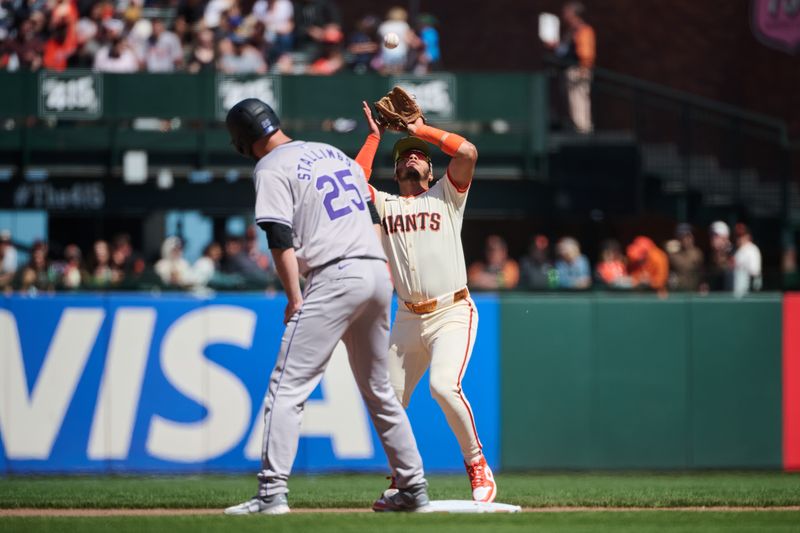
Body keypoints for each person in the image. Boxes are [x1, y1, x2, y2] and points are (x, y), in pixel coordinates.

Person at [223, 98, 428, 515]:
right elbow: (367, 212)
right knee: (379, 390)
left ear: (243, 141)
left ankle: (271, 493)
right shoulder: (331, 153)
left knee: (287, 386)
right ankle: (412, 486)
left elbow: (278, 237)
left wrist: (294, 296)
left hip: (336, 275)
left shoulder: (270, 166)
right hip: (374, 272)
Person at [355, 99, 497, 503]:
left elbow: (467, 152)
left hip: (451, 311)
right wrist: (374, 137)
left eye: (418, 155)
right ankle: (404, 479)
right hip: (407, 319)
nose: (411, 158)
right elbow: (351, 182)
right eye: (403, 158)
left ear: (432, 169)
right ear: (395, 170)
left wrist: (419, 129)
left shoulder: (446, 196)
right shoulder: (386, 204)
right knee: (387, 400)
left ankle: (476, 464)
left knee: (443, 387)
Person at [544, 2, 595, 133]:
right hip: (568, 71)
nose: (564, 15)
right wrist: (554, 47)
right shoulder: (571, 31)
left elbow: (586, 53)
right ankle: (577, 128)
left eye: (567, 12)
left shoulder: (583, 30)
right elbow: (564, 50)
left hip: (578, 70)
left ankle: (583, 130)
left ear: (574, 14)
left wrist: (584, 68)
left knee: (579, 101)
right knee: (572, 103)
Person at [667, 223, 704, 292]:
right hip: (677, 291)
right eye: (684, 237)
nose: (688, 239)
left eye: (689, 236)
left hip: (694, 291)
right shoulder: (672, 253)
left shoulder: (697, 253)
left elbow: (701, 273)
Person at [732, 223, 762, 297]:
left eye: (742, 235)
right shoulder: (735, 250)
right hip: (735, 294)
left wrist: (753, 294)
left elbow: (755, 274)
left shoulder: (752, 250)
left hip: (747, 294)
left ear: (748, 236)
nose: (739, 238)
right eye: (737, 236)